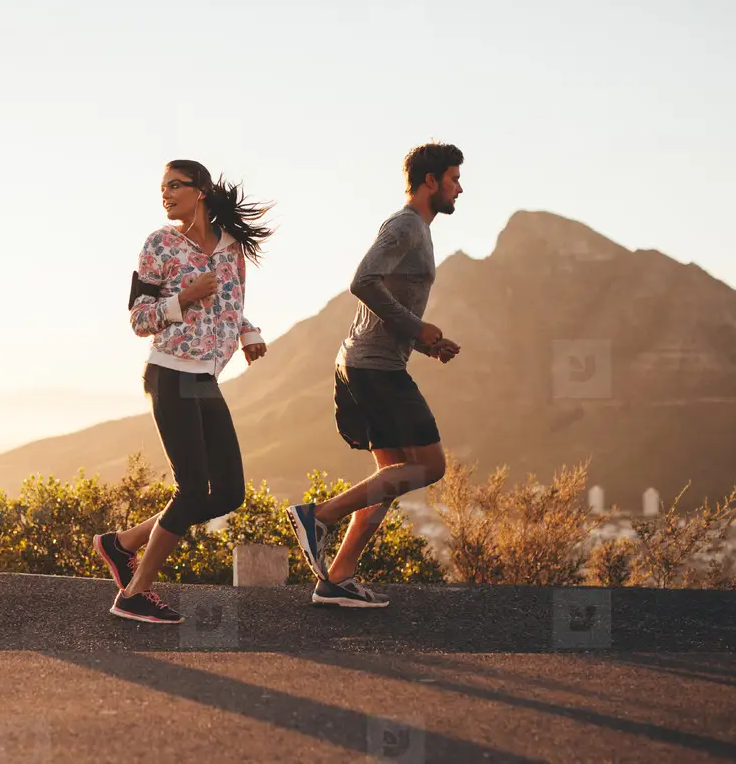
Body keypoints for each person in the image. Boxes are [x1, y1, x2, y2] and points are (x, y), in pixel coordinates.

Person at [285, 142, 464, 608]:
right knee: (430, 466)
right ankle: (318, 516)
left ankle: (337, 578)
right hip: (373, 367)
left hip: (370, 361)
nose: (459, 189)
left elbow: (389, 303)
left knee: (392, 476)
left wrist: (425, 342)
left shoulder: (418, 230)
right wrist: (416, 327)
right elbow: (362, 280)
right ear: (431, 182)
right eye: (454, 179)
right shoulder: (406, 225)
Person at [93, 159, 272, 624]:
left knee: (229, 492)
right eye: (163, 187)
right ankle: (134, 594)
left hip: (204, 377)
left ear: (202, 191)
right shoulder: (159, 245)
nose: (166, 193)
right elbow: (138, 319)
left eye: (176, 185)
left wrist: (248, 332)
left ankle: (123, 543)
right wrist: (184, 297)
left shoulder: (231, 249)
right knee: (192, 489)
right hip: (169, 373)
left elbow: (231, 308)